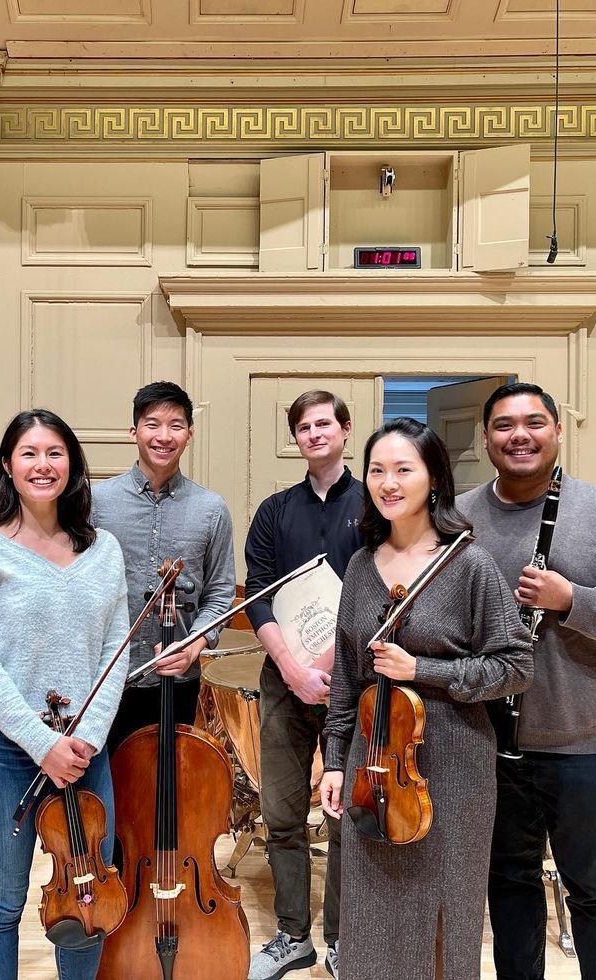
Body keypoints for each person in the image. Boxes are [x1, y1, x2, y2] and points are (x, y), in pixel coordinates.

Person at [457, 382, 596, 980]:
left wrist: (572, 600)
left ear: (558, 432)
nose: (520, 435)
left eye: (534, 422)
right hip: (489, 743)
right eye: (504, 425)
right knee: (508, 883)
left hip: (582, 743)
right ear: (486, 439)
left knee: (595, 888)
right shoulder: (458, 518)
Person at [320, 417, 532, 980]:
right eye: (376, 470)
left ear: (434, 478)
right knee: (370, 908)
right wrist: (335, 759)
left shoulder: (469, 564)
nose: (388, 483)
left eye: (403, 469)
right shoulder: (361, 565)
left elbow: (515, 666)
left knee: (445, 909)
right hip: (373, 762)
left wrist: (423, 670)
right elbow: (347, 675)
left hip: (454, 765)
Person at [0, 408, 129, 980]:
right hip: (4, 750)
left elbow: (116, 650)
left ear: (72, 463)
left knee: (85, 896)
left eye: (55, 453)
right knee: (3, 900)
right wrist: (40, 742)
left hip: (84, 752)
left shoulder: (104, 549)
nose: (42, 464)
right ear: (8, 464)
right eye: (29, 453)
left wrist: (86, 738)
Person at [244, 390, 363, 980]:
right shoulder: (274, 511)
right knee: (282, 812)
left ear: (345, 429)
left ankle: (342, 939)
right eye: (303, 427)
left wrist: (329, 666)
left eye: (324, 424)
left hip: (355, 682)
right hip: (283, 680)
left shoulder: (375, 504)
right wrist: (293, 668)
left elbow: (381, 593)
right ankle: (293, 935)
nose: (314, 434)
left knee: (347, 816)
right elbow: (258, 593)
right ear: (295, 438)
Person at [90, 380, 235, 753]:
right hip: (104, 678)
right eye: (152, 424)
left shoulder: (211, 509)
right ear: (134, 432)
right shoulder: (95, 502)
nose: (164, 436)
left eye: (176, 426)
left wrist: (192, 646)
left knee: (168, 784)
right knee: (102, 785)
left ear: (189, 434)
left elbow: (220, 593)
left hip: (177, 681)